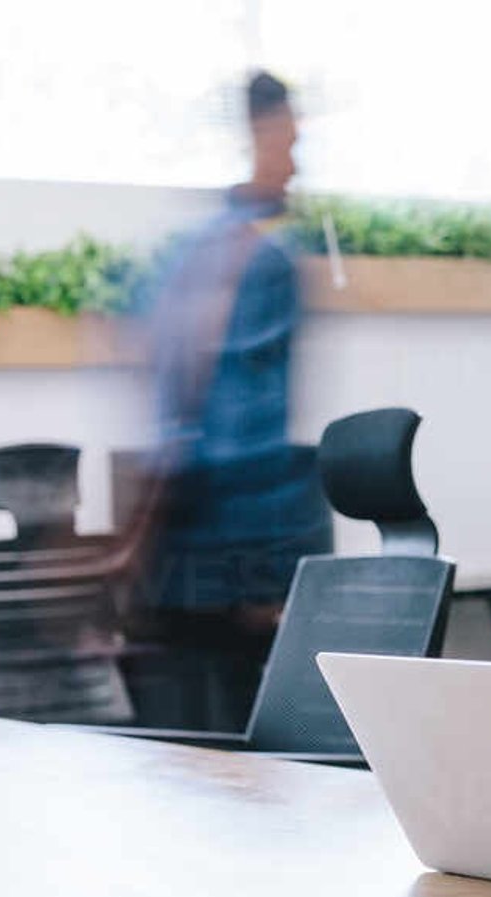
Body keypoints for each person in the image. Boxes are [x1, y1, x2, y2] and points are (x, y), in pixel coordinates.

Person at [124, 70, 330, 727]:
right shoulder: (265, 261)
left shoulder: (183, 256)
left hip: (182, 541)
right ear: (257, 135)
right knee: (252, 730)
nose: (294, 163)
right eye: (288, 140)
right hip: (236, 543)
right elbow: (246, 426)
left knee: (186, 740)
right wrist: (273, 572)